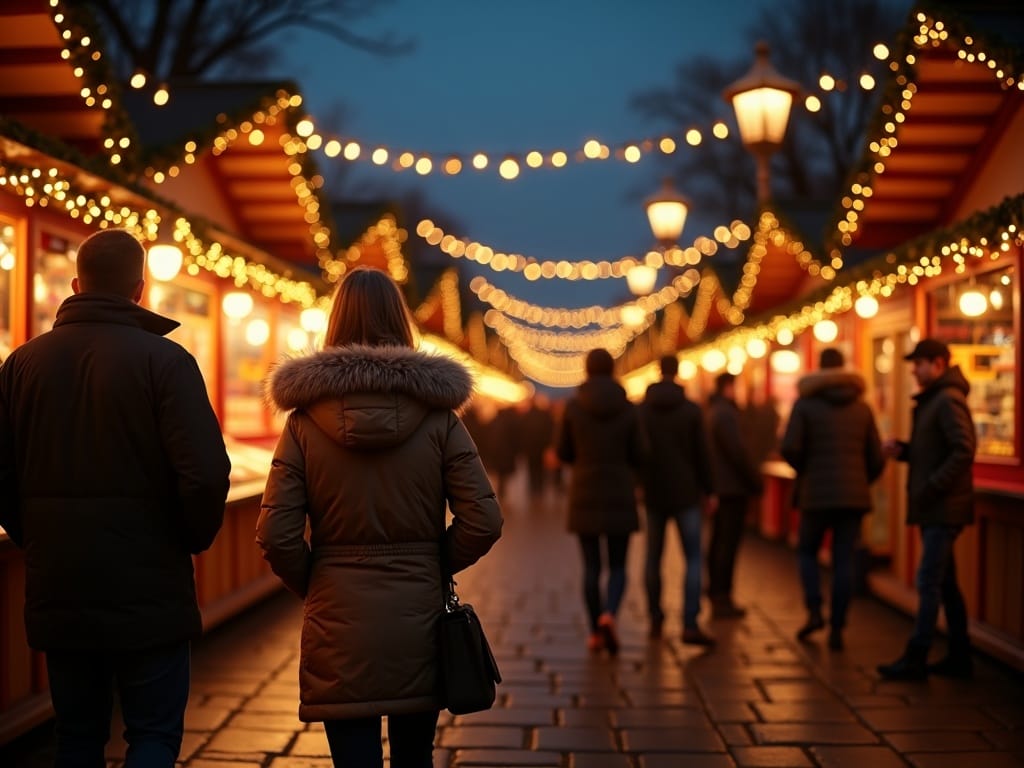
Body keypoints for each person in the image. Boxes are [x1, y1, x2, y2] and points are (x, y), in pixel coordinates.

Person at [0, 228, 231, 767]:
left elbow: (2, 473)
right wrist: (188, 540)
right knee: (152, 733)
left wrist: (35, 537)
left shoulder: (21, 365)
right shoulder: (167, 362)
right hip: (149, 582)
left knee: (77, 735)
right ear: (140, 289)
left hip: (59, 580)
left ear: (77, 284)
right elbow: (204, 474)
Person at [256, 266, 503, 767]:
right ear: (402, 322)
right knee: (415, 758)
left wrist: (320, 582)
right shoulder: (438, 418)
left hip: (338, 619)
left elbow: (276, 534)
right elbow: (483, 518)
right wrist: (435, 564)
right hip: (419, 615)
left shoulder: (304, 424)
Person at [877, 338, 976, 680]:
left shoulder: (947, 399)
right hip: (939, 505)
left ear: (937, 364)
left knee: (928, 581)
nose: (914, 370)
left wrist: (932, 486)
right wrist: (905, 450)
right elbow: (937, 449)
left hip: (942, 507)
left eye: (918, 364)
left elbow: (963, 450)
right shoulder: (937, 399)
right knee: (945, 583)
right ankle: (960, 655)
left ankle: (916, 656)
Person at [780, 347, 885, 651]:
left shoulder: (805, 405)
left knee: (807, 552)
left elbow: (790, 447)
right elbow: (876, 457)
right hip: (852, 498)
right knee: (843, 560)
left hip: (814, 496)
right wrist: (859, 480)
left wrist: (807, 470)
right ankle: (838, 626)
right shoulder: (862, 408)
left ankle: (814, 610)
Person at [556, 348, 646, 655]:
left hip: (585, 491)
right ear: (612, 370)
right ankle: (610, 613)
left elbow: (564, 452)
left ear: (587, 370)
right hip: (620, 490)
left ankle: (595, 630)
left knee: (592, 566)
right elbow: (640, 453)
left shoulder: (573, 407)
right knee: (619, 565)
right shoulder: (629, 408)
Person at [640, 355, 717, 645]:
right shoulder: (691, 410)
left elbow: (638, 451)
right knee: (694, 558)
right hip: (686, 493)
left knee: (653, 558)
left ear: (659, 372)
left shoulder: (643, 410)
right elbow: (703, 454)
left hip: (653, 492)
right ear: (678, 372)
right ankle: (690, 622)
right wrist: (710, 490)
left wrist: (640, 484)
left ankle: (655, 618)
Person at [705, 372, 763, 618]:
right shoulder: (726, 414)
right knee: (727, 543)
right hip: (731, 488)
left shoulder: (711, 412)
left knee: (718, 541)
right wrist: (754, 481)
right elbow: (737, 452)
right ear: (728, 387)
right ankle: (722, 596)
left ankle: (716, 591)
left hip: (719, 487)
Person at [518, 393, 556, 498]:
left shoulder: (526, 416)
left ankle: (533, 488)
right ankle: (540, 489)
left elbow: (521, 433)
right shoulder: (545, 415)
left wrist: (523, 447)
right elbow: (550, 431)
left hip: (530, 449)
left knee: (532, 469)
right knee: (540, 469)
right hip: (542, 448)